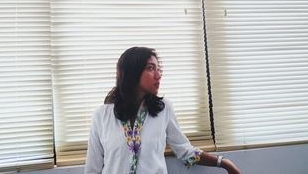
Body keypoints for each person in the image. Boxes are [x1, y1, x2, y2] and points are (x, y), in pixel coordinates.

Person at [85, 46, 242, 174]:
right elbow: (93, 169)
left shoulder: (163, 109)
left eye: (158, 69)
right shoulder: (102, 116)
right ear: (132, 72)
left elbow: (185, 152)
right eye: (151, 68)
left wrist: (224, 163)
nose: (158, 75)